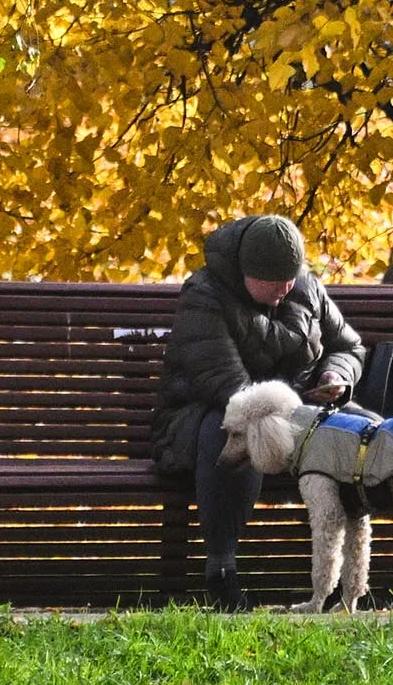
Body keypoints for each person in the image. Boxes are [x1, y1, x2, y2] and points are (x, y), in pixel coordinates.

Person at [151, 214, 364, 611]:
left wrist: (336, 374)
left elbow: (348, 347)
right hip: (205, 416)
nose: (286, 288)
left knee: (358, 430)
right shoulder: (205, 296)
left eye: (291, 277)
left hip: (296, 413)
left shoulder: (305, 287)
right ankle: (221, 570)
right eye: (275, 281)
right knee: (240, 433)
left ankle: (350, 582)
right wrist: (297, 416)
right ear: (247, 272)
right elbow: (229, 388)